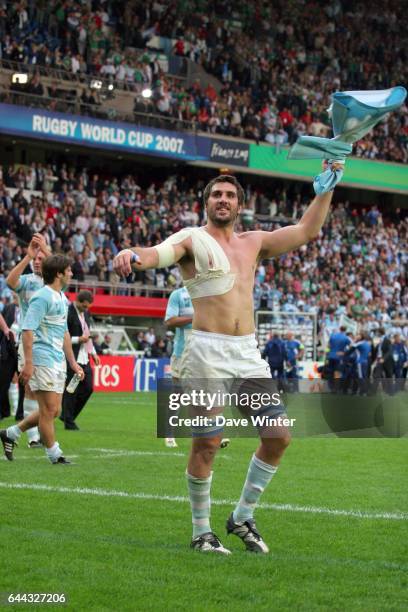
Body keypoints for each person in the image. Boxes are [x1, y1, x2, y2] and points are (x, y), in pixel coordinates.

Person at [113, 166, 343, 554]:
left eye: (230, 195)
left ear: (239, 205)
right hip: (206, 353)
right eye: (216, 194)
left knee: (277, 436)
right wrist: (132, 254)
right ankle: (201, 531)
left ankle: (241, 516)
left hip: (247, 353)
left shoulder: (254, 242)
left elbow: (306, 231)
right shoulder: (192, 238)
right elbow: (158, 254)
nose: (223, 199)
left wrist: (326, 191)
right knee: (207, 442)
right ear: (206, 203)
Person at [0, 255, 84, 464]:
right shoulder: (42, 297)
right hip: (41, 357)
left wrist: (72, 362)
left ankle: (11, 432)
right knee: (48, 410)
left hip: (56, 359)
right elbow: (28, 330)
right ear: (59, 273)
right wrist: (28, 363)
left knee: (56, 410)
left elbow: (64, 333)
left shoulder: (61, 298)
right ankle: (55, 455)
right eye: (69, 270)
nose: (71, 273)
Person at [5, 233, 50, 447]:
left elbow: (64, 270)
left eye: (42, 259)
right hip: (30, 340)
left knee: (49, 393)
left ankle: (33, 431)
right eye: (36, 260)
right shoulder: (27, 281)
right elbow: (10, 281)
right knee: (31, 387)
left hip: (51, 342)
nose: (38, 262)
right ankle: (34, 438)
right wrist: (27, 257)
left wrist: (46, 249)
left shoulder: (54, 283)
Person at [60, 290, 100, 430]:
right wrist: (78, 339)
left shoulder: (86, 313)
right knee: (72, 390)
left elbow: (87, 334)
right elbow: (61, 337)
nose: (86, 309)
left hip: (84, 356)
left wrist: (93, 352)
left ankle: (66, 415)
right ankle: (69, 421)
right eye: (84, 306)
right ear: (77, 301)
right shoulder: (68, 313)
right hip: (72, 357)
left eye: (87, 307)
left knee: (88, 388)